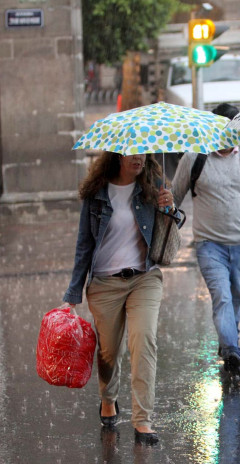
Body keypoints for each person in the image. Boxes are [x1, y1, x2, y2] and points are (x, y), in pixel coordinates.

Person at [62, 151, 176, 445]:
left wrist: (169, 209)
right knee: (109, 352)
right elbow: (84, 245)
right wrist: (73, 294)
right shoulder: (97, 193)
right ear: (117, 156)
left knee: (144, 340)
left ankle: (143, 421)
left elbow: (168, 234)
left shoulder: (153, 184)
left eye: (142, 153)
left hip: (144, 278)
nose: (138, 159)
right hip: (105, 283)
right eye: (131, 154)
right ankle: (108, 398)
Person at [170, 103, 240, 375]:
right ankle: (231, 349)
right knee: (222, 298)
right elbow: (175, 195)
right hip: (209, 245)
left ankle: (229, 342)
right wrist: (164, 209)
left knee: (237, 297)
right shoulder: (195, 158)